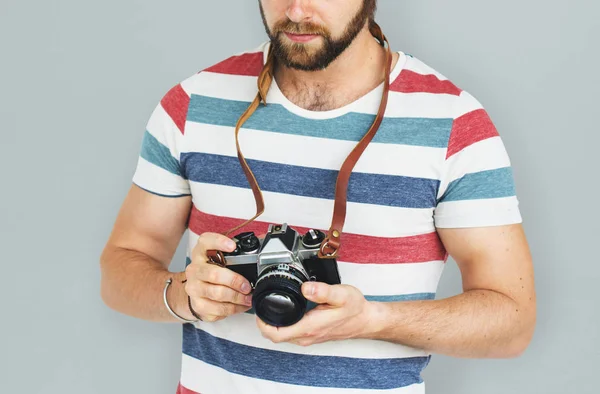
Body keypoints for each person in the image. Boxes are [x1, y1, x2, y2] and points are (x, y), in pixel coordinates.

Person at [100, 1, 536, 393]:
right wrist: (185, 295)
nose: (296, 10)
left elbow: (512, 322)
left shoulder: (454, 124)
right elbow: (121, 268)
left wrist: (376, 321)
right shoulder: (193, 102)